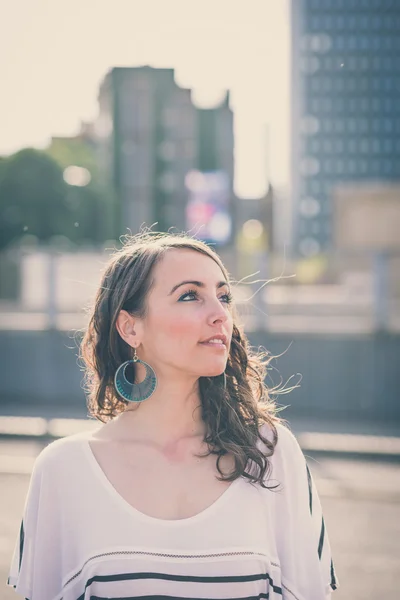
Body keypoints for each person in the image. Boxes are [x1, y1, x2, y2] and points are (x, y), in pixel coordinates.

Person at [7, 231, 339, 599]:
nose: (220, 315)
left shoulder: (270, 453)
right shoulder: (63, 469)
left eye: (224, 296)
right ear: (130, 327)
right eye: (190, 295)